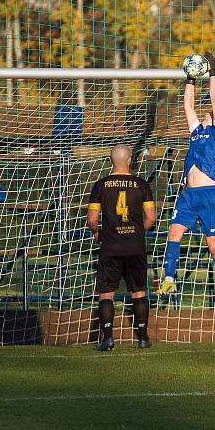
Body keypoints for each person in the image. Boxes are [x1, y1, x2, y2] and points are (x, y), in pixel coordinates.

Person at [157, 52, 215, 319]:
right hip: (189, 196)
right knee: (174, 234)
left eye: (212, 115)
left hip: (209, 195)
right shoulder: (197, 130)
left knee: (214, 246)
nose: (207, 115)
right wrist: (190, 76)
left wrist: (212, 73)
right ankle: (169, 277)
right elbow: (188, 106)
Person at [87, 144, 156, 351]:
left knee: (106, 293)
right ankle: (143, 338)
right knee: (139, 292)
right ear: (129, 161)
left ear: (111, 161)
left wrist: (98, 232)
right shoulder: (142, 185)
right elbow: (151, 218)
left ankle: (108, 338)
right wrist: (136, 232)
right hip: (135, 246)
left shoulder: (100, 186)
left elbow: (92, 220)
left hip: (110, 246)